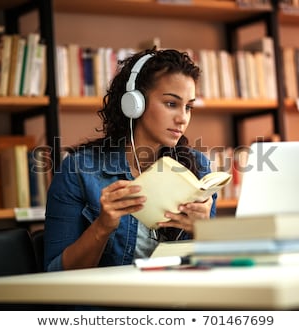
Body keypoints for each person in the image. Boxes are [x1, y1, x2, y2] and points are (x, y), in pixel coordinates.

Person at [44, 48, 217, 272]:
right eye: (171, 104)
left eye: (188, 107)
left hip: (174, 302)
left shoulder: (198, 168)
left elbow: (210, 269)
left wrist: (203, 231)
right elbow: (55, 272)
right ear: (135, 103)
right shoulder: (78, 170)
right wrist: (102, 227)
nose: (182, 118)